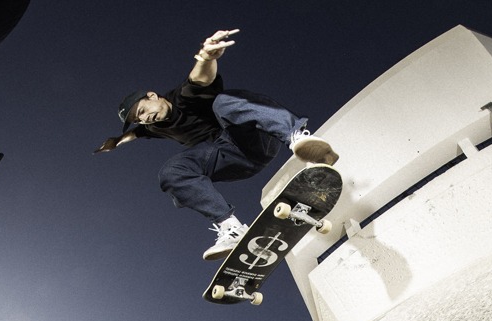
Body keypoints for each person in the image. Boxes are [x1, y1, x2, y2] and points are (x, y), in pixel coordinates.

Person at [95, 29, 338, 260]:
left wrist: (205, 56)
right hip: (229, 160)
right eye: (140, 118)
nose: (145, 118)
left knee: (222, 102)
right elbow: (138, 133)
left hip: (253, 140)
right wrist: (117, 141)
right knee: (171, 172)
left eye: (143, 111)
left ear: (152, 95)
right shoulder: (153, 126)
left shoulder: (184, 97)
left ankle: (297, 136)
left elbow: (199, 79)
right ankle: (231, 229)